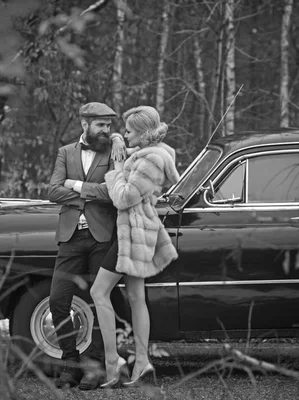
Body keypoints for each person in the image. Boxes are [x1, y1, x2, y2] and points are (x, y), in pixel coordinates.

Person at [90, 105, 180, 388]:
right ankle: (141, 362)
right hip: (134, 231)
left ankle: (112, 361)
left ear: (142, 133)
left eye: (129, 131)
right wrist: (117, 139)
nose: (125, 135)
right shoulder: (150, 153)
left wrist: (116, 170)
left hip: (134, 232)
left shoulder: (151, 160)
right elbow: (128, 152)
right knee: (136, 297)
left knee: (98, 291)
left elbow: (124, 197)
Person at [47, 101, 126, 390]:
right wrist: (87, 195)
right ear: (85, 124)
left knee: (101, 301)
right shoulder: (65, 152)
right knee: (58, 300)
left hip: (101, 237)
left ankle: (94, 367)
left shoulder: (114, 151)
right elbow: (53, 190)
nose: (107, 130)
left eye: (109, 126)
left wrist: (76, 186)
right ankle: (70, 363)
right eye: (101, 125)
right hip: (70, 236)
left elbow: (112, 192)